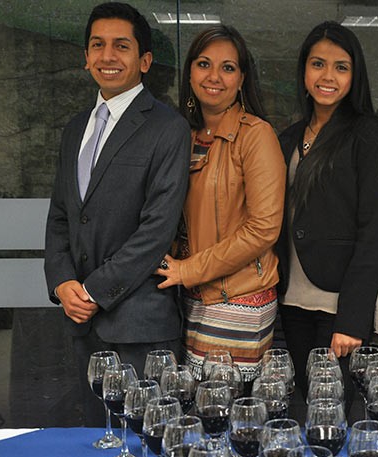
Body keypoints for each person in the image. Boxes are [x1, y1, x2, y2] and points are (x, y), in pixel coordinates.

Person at [44, 2, 190, 426]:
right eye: (98, 45)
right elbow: (61, 215)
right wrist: (62, 282)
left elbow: (157, 229)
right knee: (98, 441)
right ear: (86, 56)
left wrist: (91, 292)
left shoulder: (168, 127)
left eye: (121, 46)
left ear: (144, 61)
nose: (107, 56)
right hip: (82, 324)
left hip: (140, 325)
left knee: (148, 444)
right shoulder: (76, 128)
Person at [155, 26, 286, 386]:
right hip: (190, 294)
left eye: (228, 68)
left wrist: (188, 270)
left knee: (223, 407)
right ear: (190, 73)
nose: (214, 76)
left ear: (242, 79)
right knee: (197, 403)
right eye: (204, 64)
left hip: (238, 297)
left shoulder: (256, 135)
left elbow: (263, 229)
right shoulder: (181, 134)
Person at [276, 21, 378, 414]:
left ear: (354, 75)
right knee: (306, 406)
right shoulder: (289, 136)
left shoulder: (368, 133)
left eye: (341, 67)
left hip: (338, 306)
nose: (327, 76)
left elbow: (374, 231)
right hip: (292, 299)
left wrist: (352, 320)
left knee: (336, 412)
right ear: (304, 71)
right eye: (318, 64)